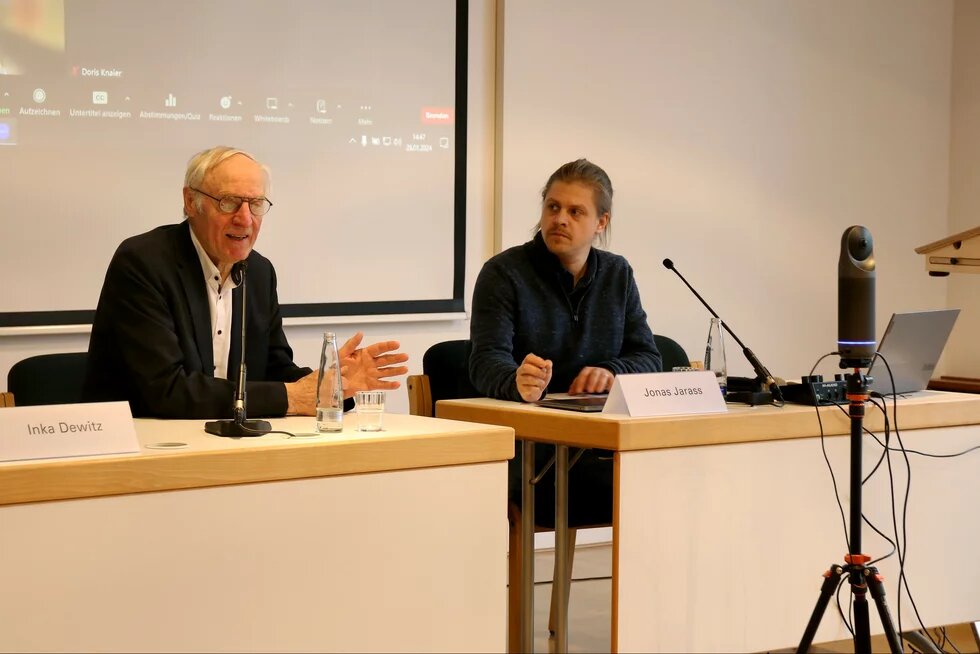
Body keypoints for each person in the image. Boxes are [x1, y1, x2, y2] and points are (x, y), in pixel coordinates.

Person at [83, 145, 408, 419]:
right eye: (228, 202)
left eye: (255, 204)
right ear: (190, 201)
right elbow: (166, 392)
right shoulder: (144, 263)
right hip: (139, 448)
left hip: (225, 448)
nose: (245, 218)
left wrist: (335, 384)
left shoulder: (259, 272)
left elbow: (276, 371)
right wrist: (294, 397)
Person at [468, 158, 662, 525]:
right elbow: (484, 361)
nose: (560, 219)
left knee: (666, 479)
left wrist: (611, 370)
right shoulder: (504, 273)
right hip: (532, 454)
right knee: (641, 485)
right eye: (553, 207)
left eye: (576, 212)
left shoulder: (617, 273)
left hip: (600, 445)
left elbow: (649, 356)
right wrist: (515, 382)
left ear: (600, 222)